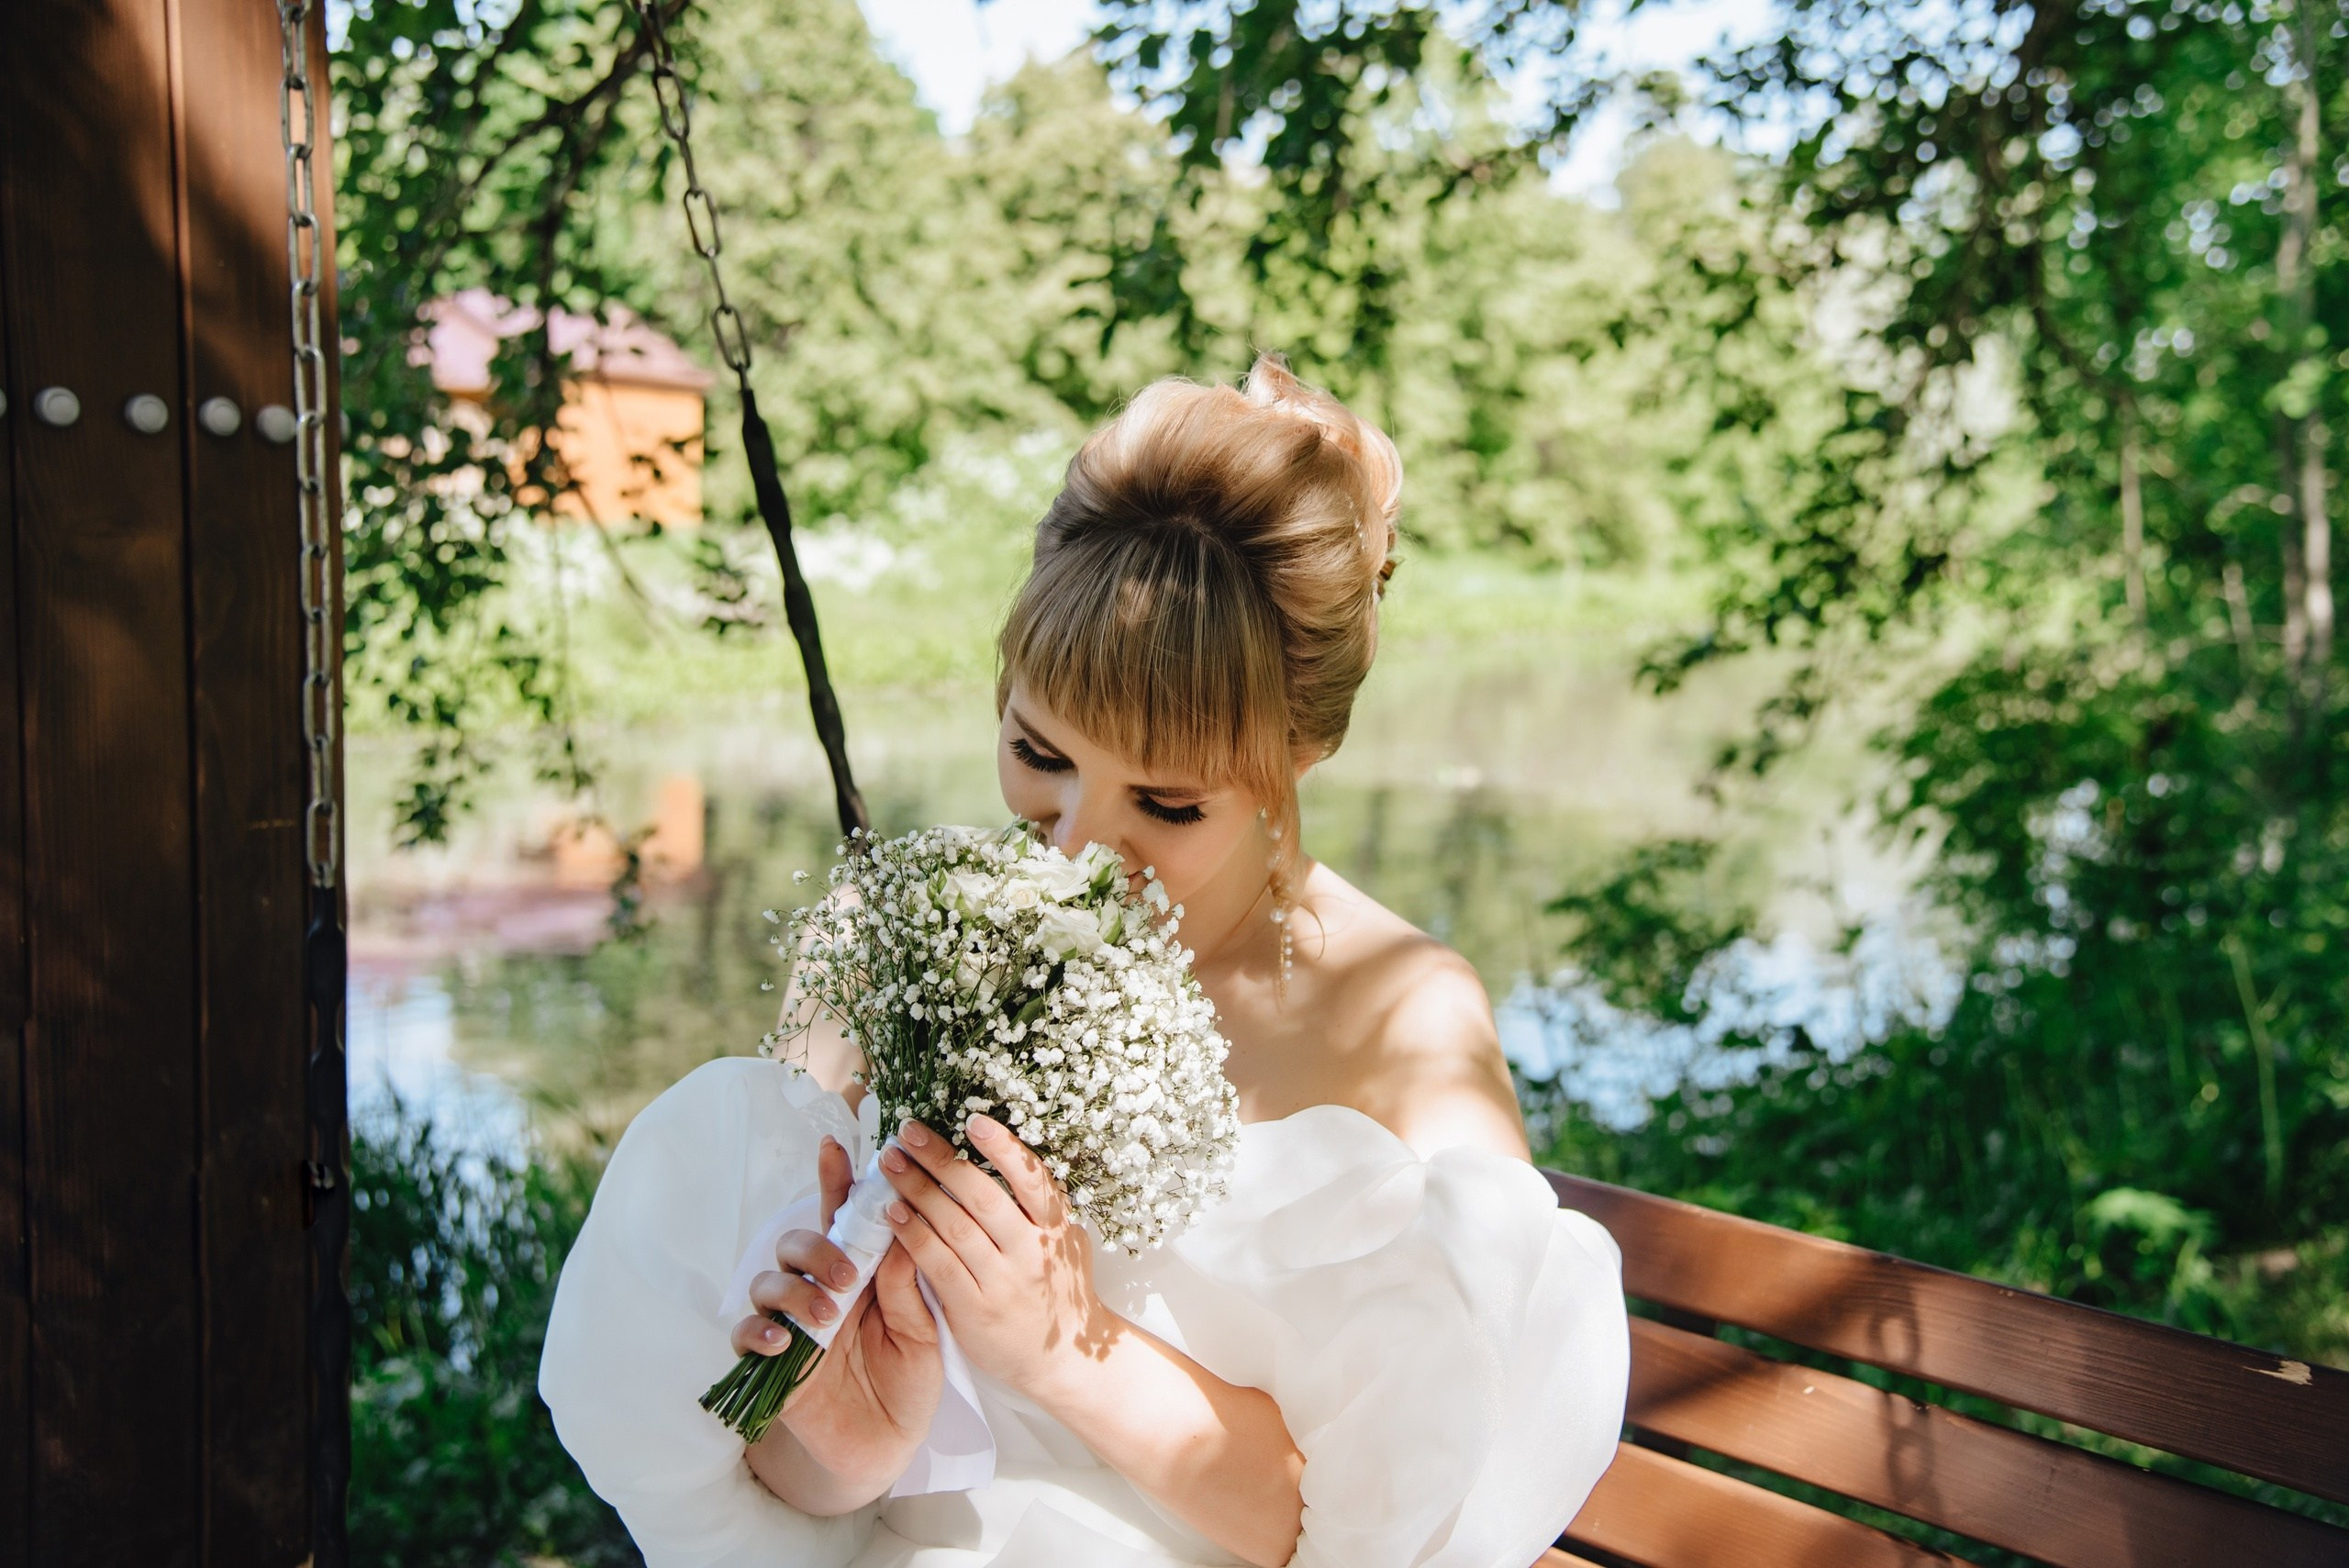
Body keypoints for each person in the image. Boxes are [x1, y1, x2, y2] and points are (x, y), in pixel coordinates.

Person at [539, 356, 1629, 1568]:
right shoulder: (901, 947)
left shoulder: (1403, 1015)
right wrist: (846, 1431)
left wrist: (1062, 1346)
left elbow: (1379, 1527)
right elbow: (828, 1495)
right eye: (1036, 752)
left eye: (1166, 803)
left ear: (1295, 761)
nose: (1074, 841)